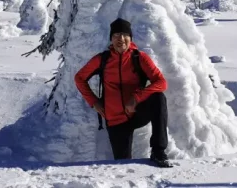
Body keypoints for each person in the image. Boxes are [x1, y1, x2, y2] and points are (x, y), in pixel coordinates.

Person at [74, 18, 173, 167]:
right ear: (111, 39)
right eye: (116, 35)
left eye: (125, 35)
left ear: (130, 38)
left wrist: (137, 97)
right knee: (123, 165)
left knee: (159, 98)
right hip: (115, 120)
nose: (121, 39)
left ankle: (158, 151)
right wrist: (94, 102)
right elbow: (79, 78)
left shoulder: (139, 58)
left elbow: (161, 82)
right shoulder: (102, 60)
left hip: (137, 113)